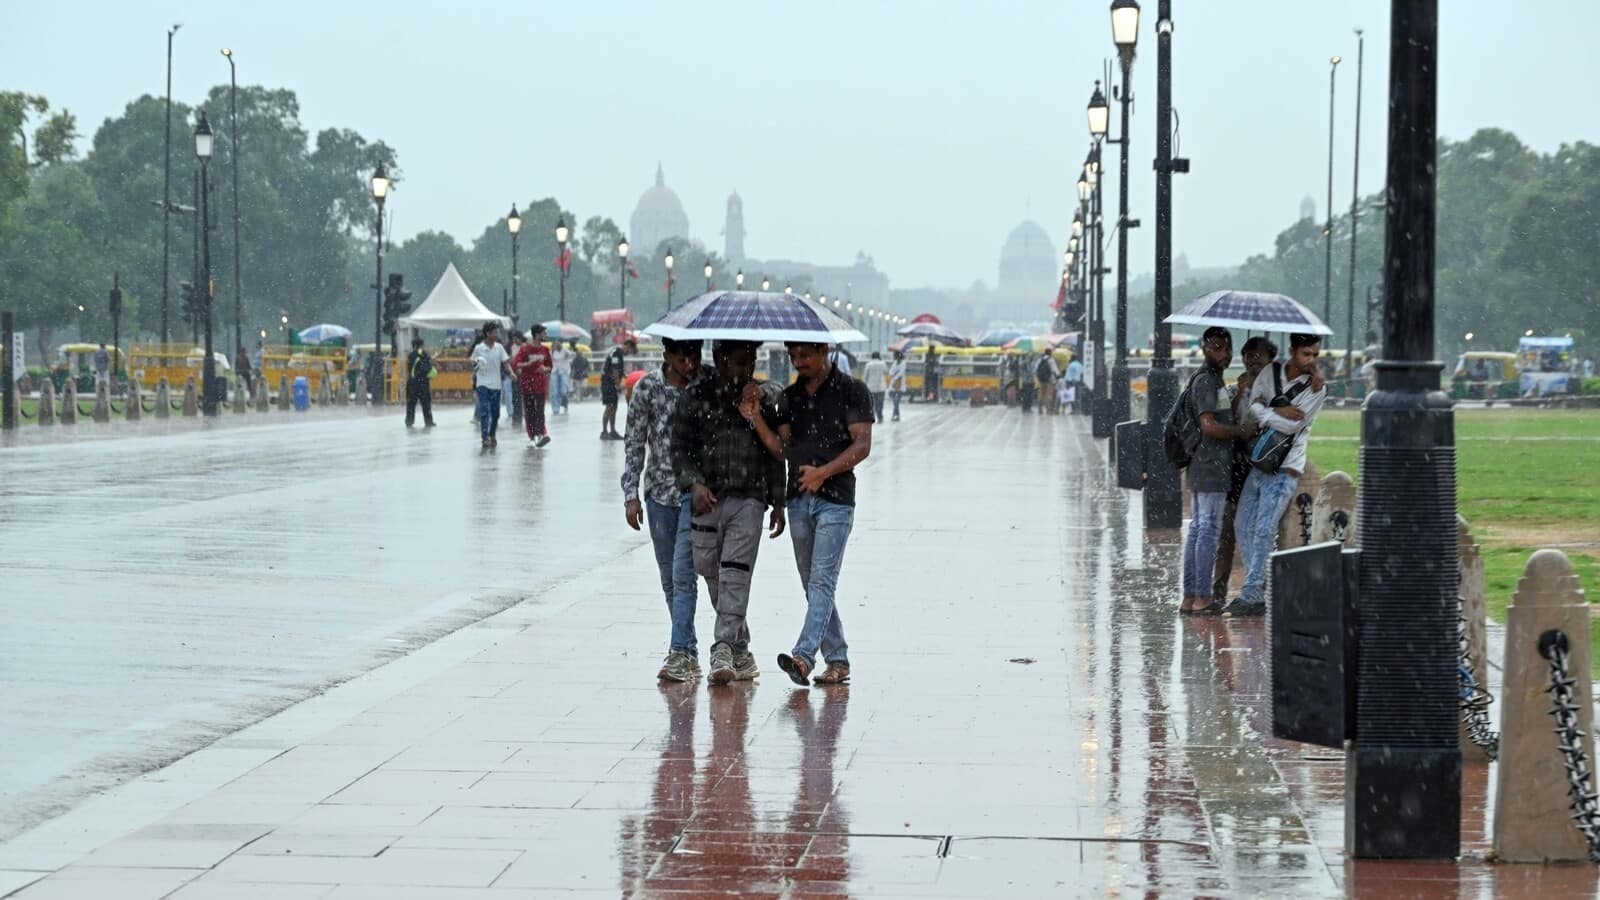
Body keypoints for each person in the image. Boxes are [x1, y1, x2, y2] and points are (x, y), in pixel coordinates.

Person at [745, 342, 872, 688]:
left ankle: (803, 657)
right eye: (794, 356)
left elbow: (861, 445)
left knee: (821, 582)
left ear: (825, 351)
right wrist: (756, 417)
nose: (799, 363)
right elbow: (783, 449)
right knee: (812, 584)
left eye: (806, 355)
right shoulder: (789, 398)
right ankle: (838, 659)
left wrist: (823, 472)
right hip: (799, 500)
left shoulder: (852, 391)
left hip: (836, 501)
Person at [670, 339, 787, 686]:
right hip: (707, 500)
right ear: (719, 359)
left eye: (749, 362)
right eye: (737, 362)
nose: (744, 370)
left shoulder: (762, 398)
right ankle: (740, 647)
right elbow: (679, 448)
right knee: (711, 571)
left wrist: (778, 500)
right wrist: (693, 484)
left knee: (736, 572)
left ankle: (721, 645)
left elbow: (774, 454)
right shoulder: (696, 397)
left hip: (749, 499)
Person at [1224, 332, 1327, 617]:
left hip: (1286, 466)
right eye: (1306, 354)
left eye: (1315, 355)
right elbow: (1255, 407)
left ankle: (1253, 592)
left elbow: (1292, 426)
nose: (1311, 360)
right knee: (1243, 523)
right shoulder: (1271, 372)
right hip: (1261, 462)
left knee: (1265, 528)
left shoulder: (1316, 388)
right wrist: (1277, 410)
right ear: (1292, 351)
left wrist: (1267, 410)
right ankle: (1259, 582)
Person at [623, 338, 705, 682]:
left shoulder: (706, 385)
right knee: (669, 578)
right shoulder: (648, 389)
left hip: (696, 494)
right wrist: (630, 493)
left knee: (685, 575)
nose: (689, 364)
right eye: (681, 357)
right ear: (666, 356)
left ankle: (680, 652)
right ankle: (688, 646)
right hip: (658, 494)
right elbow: (634, 442)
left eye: (694, 356)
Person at [1179, 328, 1255, 615]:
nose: (1224, 354)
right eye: (1218, 348)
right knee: (1207, 530)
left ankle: (1191, 597)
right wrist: (1241, 431)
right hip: (1210, 465)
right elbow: (1209, 425)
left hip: (1204, 464)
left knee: (1199, 529)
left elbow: (1220, 414)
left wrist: (1241, 392)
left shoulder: (1213, 380)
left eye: (1227, 348)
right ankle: (1202, 597)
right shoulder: (1207, 381)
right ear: (1204, 349)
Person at [1211, 337, 1276, 604]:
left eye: (1258, 355)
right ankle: (1218, 591)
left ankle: (1261, 587)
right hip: (1237, 467)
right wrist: (1241, 393)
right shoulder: (1233, 388)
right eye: (1248, 355)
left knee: (1264, 530)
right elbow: (1224, 420)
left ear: (1270, 359)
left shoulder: (1278, 390)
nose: (1252, 360)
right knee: (1228, 530)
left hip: (1267, 465)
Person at [511, 324, 553, 447]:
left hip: (541, 385)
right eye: (544, 333)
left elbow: (550, 366)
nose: (546, 335)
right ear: (537, 335)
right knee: (530, 412)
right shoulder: (525, 349)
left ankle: (541, 435)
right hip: (527, 385)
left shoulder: (545, 350)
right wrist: (528, 364)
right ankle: (531, 437)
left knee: (540, 411)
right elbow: (515, 364)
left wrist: (545, 369)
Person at [471, 321, 510, 449]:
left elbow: (505, 362)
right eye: (495, 332)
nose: (497, 334)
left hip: (496, 385)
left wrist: (512, 373)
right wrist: (476, 366)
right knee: (484, 411)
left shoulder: (499, 347)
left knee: (496, 413)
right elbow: (472, 363)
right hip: (482, 384)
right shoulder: (478, 348)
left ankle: (492, 434)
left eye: (497, 332)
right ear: (488, 334)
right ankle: (485, 437)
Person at [600, 338, 633, 440]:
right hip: (608, 382)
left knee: (614, 407)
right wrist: (617, 385)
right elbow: (615, 370)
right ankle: (604, 432)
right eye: (630, 350)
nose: (630, 352)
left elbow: (620, 371)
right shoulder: (617, 352)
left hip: (612, 382)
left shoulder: (619, 354)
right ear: (627, 346)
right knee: (610, 406)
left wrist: (629, 378)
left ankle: (613, 431)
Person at [404, 337, 437, 428]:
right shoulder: (424, 354)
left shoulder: (410, 355)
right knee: (426, 403)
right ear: (421, 345)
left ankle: (409, 421)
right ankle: (428, 421)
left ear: (413, 345)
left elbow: (410, 368)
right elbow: (428, 367)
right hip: (423, 383)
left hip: (412, 383)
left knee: (411, 403)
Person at [861, 352, 888, 423]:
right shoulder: (883, 363)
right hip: (881, 387)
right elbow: (886, 372)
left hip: (871, 387)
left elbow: (865, 376)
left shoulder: (868, 364)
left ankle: (872, 416)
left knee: (872, 403)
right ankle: (880, 417)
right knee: (880, 403)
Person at [504, 330, 523, 426]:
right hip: (515, 374)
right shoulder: (512, 347)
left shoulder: (525, 347)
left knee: (523, 395)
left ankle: (522, 415)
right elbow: (510, 360)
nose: (514, 340)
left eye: (516, 338)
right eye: (514, 338)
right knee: (515, 395)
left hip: (524, 374)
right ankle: (516, 417)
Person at [550, 339, 574, 414]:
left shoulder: (565, 350)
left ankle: (565, 404)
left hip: (564, 372)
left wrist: (567, 353)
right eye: (556, 344)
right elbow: (549, 360)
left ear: (561, 344)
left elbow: (571, 354)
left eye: (558, 344)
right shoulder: (552, 351)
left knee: (563, 391)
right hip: (555, 372)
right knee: (554, 391)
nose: (557, 345)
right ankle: (555, 408)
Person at [888, 351, 907, 421]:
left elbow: (901, 373)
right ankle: (897, 415)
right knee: (894, 401)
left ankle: (894, 415)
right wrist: (895, 374)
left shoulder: (903, 363)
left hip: (900, 384)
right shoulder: (894, 363)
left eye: (895, 355)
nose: (894, 357)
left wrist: (895, 376)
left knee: (896, 401)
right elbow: (890, 372)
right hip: (893, 385)